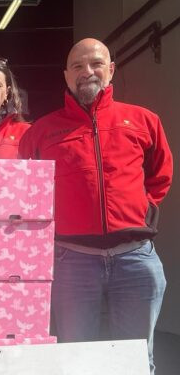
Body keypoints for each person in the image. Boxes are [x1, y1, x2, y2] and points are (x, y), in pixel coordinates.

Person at [19, 38, 172, 374]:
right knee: (76, 359)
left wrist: (143, 205)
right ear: (66, 76)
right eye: (77, 66)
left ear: (111, 70)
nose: (86, 71)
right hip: (72, 261)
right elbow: (26, 188)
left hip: (135, 258)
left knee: (135, 359)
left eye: (96, 64)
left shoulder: (143, 120)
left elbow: (161, 173)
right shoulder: (41, 131)